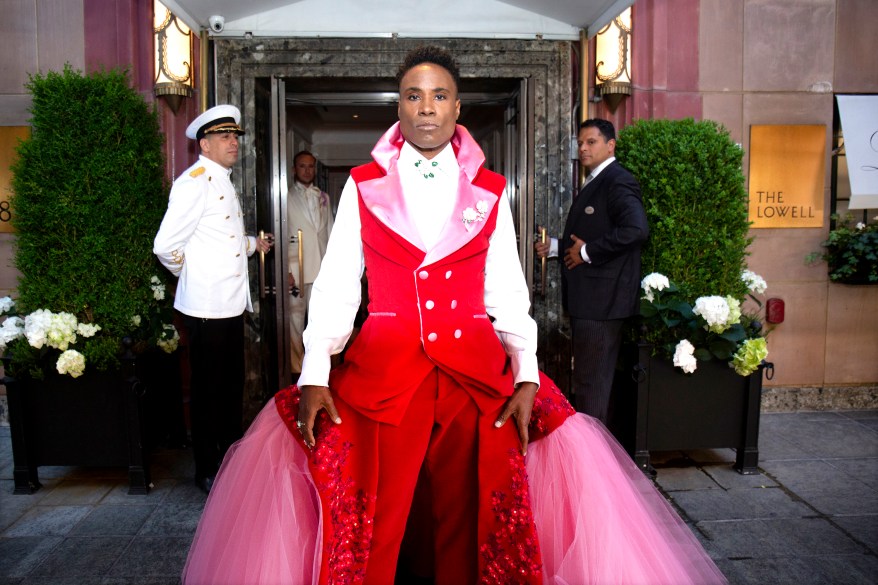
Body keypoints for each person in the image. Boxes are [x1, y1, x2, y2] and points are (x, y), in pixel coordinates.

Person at [182, 49, 725, 585]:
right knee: (376, 516)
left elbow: (507, 286)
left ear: (457, 108)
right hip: (386, 369)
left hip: (474, 372)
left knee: (477, 517)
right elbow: (339, 279)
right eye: (413, 96)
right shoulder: (363, 184)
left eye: (438, 95)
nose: (426, 107)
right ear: (398, 108)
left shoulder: (490, 191)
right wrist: (316, 371)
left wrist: (528, 371)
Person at [153, 105, 273, 495]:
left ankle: (227, 460)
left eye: (235, 136)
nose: (233, 143)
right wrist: (193, 276)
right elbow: (166, 246)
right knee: (208, 394)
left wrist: (255, 244)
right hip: (206, 308)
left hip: (230, 305)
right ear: (204, 144)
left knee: (229, 388)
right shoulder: (195, 182)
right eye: (224, 137)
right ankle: (206, 469)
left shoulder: (221, 179)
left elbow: (222, 239)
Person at [535, 118, 649, 423]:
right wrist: (558, 248)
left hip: (603, 303)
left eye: (591, 142)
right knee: (589, 383)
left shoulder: (617, 179)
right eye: (580, 143)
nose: (583, 148)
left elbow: (636, 229)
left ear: (610, 145)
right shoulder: (598, 179)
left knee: (592, 387)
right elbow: (594, 232)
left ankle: (593, 463)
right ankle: (595, 457)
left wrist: (587, 252)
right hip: (594, 301)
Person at [287, 150, 334, 374]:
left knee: (320, 320)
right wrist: (286, 270)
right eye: (303, 166)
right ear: (295, 169)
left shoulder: (323, 197)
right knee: (295, 321)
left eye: (311, 166)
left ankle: (318, 367)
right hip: (297, 268)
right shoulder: (285, 197)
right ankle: (297, 369)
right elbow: (283, 234)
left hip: (322, 268)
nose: (307, 170)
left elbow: (331, 233)